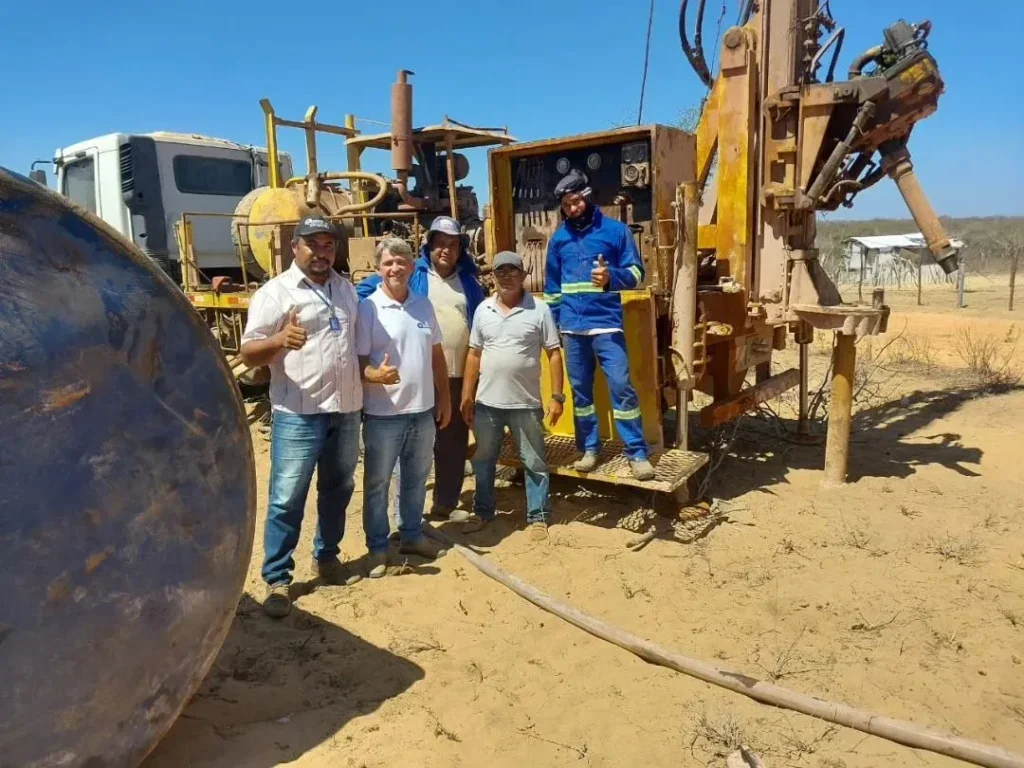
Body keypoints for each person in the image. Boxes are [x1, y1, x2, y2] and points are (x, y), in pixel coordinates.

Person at [240, 215, 363, 619]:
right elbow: (248, 353)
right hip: (298, 415)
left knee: (338, 489)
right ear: (295, 247)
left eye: (329, 245)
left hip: (344, 412)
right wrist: (279, 340)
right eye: (313, 244)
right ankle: (277, 579)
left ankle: (326, 558)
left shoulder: (347, 291)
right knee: (286, 498)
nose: (321, 252)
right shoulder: (275, 294)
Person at [357, 216, 484, 522]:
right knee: (413, 447)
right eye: (440, 243)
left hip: (453, 375)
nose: (446, 250)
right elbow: (373, 288)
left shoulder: (468, 281)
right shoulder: (414, 272)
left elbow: (480, 322)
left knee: (453, 443)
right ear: (430, 246)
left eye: (453, 245)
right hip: (416, 378)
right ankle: (404, 515)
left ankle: (445, 503)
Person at [543, 169, 656, 480]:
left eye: (576, 201)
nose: (572, 208)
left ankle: (636, 452)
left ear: (587, 197)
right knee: (581, 394)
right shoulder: (559, 240)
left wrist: (611, 279)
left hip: (606, 326)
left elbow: (636, 273)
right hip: (571, 329)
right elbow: (552, 289)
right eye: (566, 205)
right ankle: (589, 449)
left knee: (621, 388)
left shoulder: (616, 232)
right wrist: (554, 327)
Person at [357, 237, 451, 578]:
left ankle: (411, 536)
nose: (394, 268)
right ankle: (378, 548)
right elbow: (358, 363)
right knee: (378, 483)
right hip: (383, 416)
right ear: (378, 269)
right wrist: (375, 374)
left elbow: (436, 355)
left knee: (415, 479)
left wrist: (444, 398)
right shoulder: (368, 308)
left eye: (401, 262)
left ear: (412, 267)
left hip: (422, 412)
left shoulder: (423, 305)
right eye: (387, 263)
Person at [461, 251, 564, 541]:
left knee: (534, 462)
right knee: (483, 460)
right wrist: (467, 395)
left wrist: (558, 397)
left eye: (512, 271)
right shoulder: (483, 309)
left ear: (523, 275)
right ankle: (483, 511)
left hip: (526, 404)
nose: (506, 276)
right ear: (492, 277)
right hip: (487, 404)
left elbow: (554, 354)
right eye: (500, 272)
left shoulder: (539, 309)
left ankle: (538, 517)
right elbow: (473, 354)